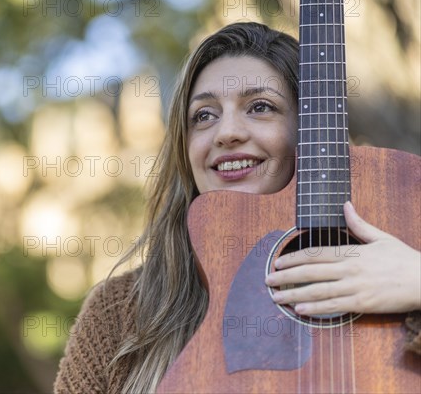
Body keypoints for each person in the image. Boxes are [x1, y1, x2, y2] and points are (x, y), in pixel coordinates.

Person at [54, 22, 421, 393]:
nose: (226, 132)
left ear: (310, 130)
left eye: (260, 107)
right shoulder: (119, 311)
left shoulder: (404, 264)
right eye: (204, 115)